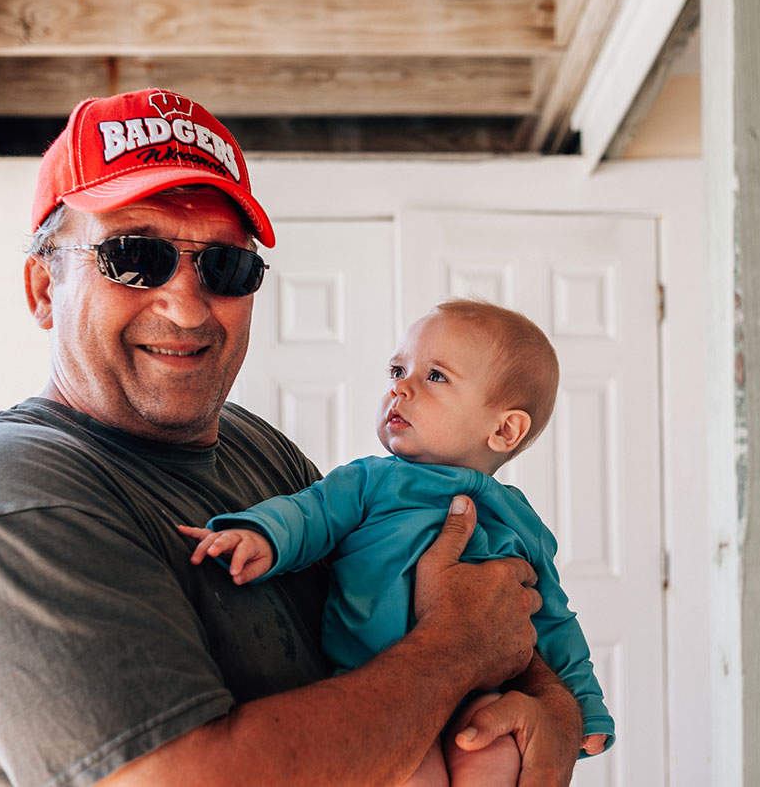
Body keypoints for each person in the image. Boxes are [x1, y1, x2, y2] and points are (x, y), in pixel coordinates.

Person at [0, 87, 586, 787]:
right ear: (44, 286)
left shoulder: (262, 451)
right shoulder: (8, 499)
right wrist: (454, 654)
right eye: (135, 256)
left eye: (225, 266)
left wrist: (555, 709)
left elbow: (476, 609)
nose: (188, 307)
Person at [179, 299, 613, 786]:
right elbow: (309, 513)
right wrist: (261, 534)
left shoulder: (520, 520)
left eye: (435, 377)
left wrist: (584, 705)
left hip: (481, 696)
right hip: (377, 692)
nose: (399, 387)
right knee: (409, 774)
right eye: (398, 368)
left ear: (504, 429)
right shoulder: (370, 481)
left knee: (494, 755)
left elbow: (552, 616)